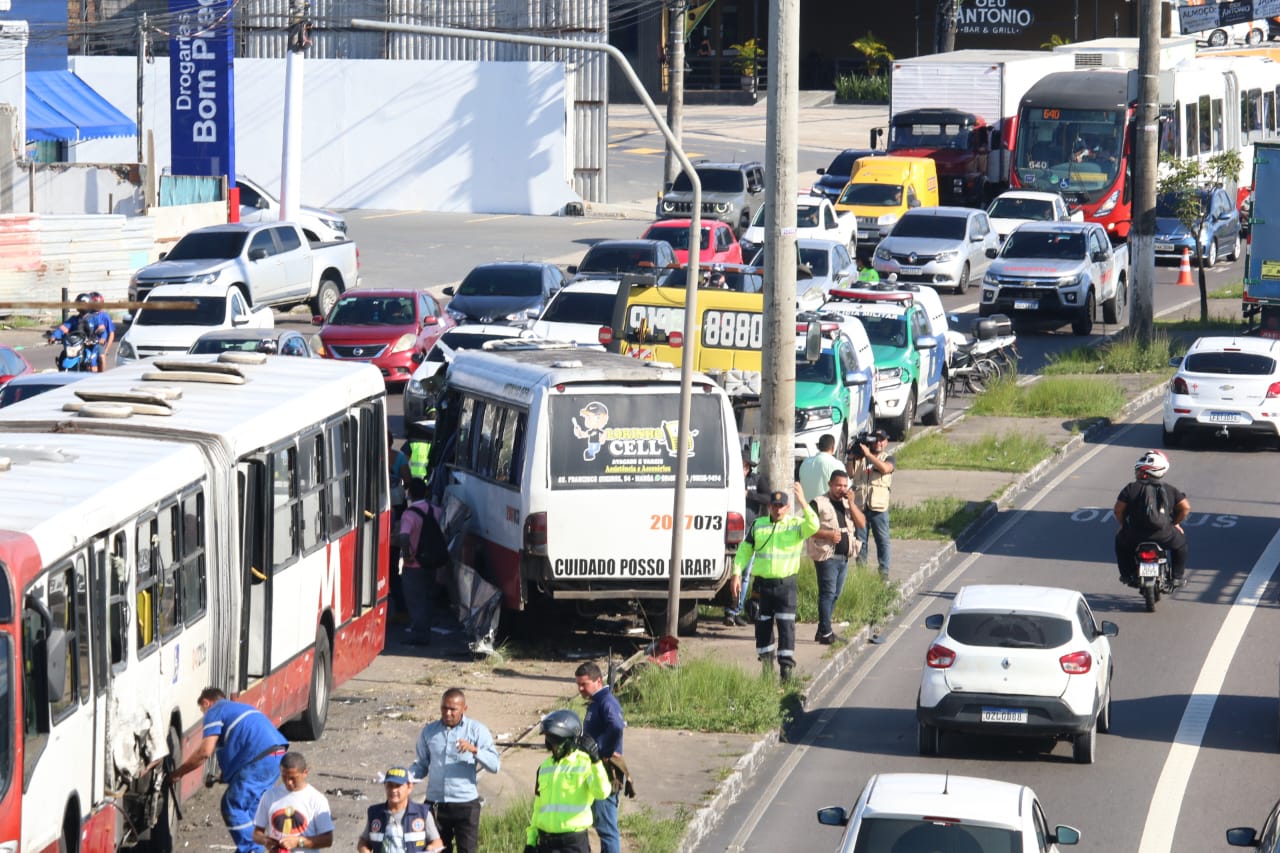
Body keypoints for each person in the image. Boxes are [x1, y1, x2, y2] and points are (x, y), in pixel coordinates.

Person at [168, 687, 289, 853]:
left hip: (260, 758)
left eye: (202, 710)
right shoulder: (239, 708)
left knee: (232, 805)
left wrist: (178, 773)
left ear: (206, 703)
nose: (204, 715)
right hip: (277, 755)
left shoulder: (215, 710)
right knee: (249, 814)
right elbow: (243, 744)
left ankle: (254, 850)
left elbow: (204, 752)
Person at [729, 481, 820, 681]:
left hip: (785, 586)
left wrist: (803, 502)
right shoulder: (758, 525)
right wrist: (736, 573)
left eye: (781, 506)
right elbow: (744, 550)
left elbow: (814, 525)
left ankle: (786, 670)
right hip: (762, 586)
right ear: (769, 506)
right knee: (762, 626)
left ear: (787, 508)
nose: (778, 510)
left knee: (786, 627)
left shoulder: (796, 525)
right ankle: (767, 667)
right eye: (774, 506)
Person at [407, 688, 501, 853]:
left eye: (453, 709)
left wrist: (474, 750)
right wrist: (405, 779)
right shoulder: (429, 731)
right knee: (435, 850)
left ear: (464, 709)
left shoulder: (476, 730)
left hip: (465, 805)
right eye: (444, 708)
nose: (447, 713)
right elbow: (421, 765)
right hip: (436, 804)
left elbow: (495, 765)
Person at [524, 710, 610, 853]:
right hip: (546, 843)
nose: (554, 746)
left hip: (573, 844)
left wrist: (596, 761)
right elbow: (538, 808)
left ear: (571, 741)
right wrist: (531, 841)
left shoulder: (585, 763)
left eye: (558, 741)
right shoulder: (544, 768)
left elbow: (602, 793)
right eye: (550, 741)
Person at [1114, 449, 1191, 588]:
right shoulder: (1170, 489)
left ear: (1144, 472)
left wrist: (1123, 526)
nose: (1136, 473)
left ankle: (1127, 574)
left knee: (1120, 543)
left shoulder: (1130, 488)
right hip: (1164, 535)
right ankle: (1177, 577)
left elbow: (1118, 510)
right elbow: (1185, 508)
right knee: (1181, 545)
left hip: (1134, 535)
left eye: (1137, 471)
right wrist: (1175, 523)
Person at [806, 469, 866, 644]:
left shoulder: (847, 503)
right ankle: (826, 633)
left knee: (835, 594)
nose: (842, 489)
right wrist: (828, 535)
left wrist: (852, 503)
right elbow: (807, 528)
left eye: (845, 485)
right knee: (827, 593)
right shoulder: (818, 503)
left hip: (843, 557)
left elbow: (862, 523)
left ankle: (822, 630)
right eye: (838, 485)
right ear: (830, 484)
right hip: (826, 556)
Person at [575, 663, 624, 853]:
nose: (580, 689)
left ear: (598, 681)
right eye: (578, 684)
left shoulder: (606, 702)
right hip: (596, 768)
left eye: (584, 684)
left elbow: (617, 726)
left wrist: (601, 748)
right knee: (601, 824)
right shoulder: (596, 702)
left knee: (607, 828)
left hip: (605, 770)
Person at [251, 751, 335, 852]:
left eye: (293, 778)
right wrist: (266, 841)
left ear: (305, 773)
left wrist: (299, 842)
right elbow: (257, 833)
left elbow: (328, 839)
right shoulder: (269, 796)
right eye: (284, 777)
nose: (288, 782)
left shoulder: (317, 799)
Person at [357, 766, 444, 853]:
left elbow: (437, 842)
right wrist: (364, 850)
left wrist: (432, 848)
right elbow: (363, 841)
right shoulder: (375, 813)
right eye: (390, 786)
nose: (393, 790)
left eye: (398, 786)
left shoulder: (423, 814)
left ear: (410, 787)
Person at [849, 429, 896, 579]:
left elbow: (885, 468)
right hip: (860, 507)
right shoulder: (860, 458)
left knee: (882, 541)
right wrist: (851, 456)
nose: (878, 443)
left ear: (886, 442)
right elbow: (850, 473)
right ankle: (862, 574)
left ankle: (884, 574)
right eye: (876, 439)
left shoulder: (888, 458)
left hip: (879, 508)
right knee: (860, 542)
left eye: (882, 440)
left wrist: (869, 455)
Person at [399, 478, 437, 646]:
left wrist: (406, 555)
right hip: (432, 563)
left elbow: (404, 537)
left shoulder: (409, 514)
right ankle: (425, 632)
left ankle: (418, 635)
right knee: (427, 598)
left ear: (409, 493)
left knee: (415, 600)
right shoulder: (435, 510)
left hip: (414, 565)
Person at [724, 455, 761, 627]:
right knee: (730, 572)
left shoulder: (756, 480)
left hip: (749, 532)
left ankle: (736, 611)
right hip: (730, 532)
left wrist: (749, 494)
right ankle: (728, 609)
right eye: (741, 466)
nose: (744, 469)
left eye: (746, 467)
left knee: (745, 574)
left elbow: (768, 497)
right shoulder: (728, 478)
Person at [389, 431, 412, 624]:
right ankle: (401, 607)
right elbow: (408, 480)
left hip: (374, 512)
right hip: (396, 511)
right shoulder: (400, 458)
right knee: (392, 563)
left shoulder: (370, 455)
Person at [798, 434, 842, 508]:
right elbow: (846, 489)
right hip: (826, 510)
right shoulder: (836, 464)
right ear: (833, 448)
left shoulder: (805, 462)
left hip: (806, 509)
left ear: (818, 447)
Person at [88, 292, 114, 370]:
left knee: (101, 357)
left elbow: (111, 334)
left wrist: (106, 350)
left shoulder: (105, 316)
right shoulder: (86, 315)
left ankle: (102, 374)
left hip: (98, 343)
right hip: (86, 342)